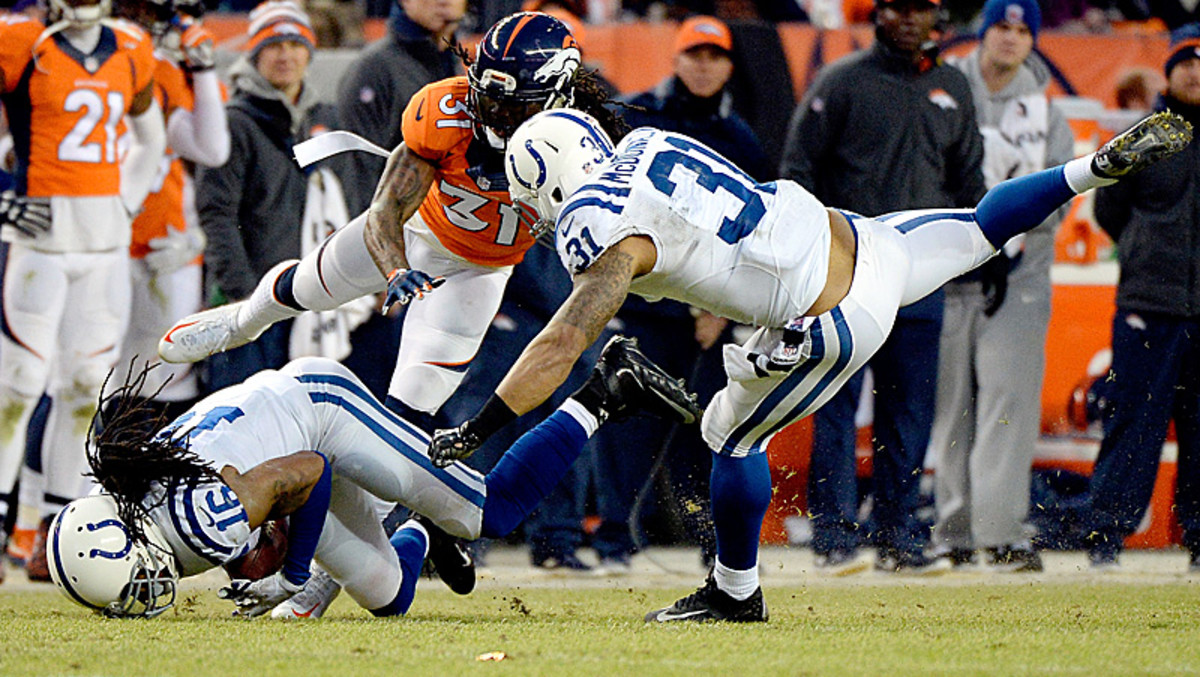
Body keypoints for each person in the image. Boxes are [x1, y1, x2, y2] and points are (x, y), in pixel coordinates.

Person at [426, 106, 1190, 622]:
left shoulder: (593, 219)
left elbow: (560, 342)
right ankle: (1094, 166)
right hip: (860, 238)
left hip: (828, 313)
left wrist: (481, 423)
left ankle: (736, 592)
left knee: (729, 434)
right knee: (979, 227)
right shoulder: (643, 143)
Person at [159, 11, 626, 432]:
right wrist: (396, 269)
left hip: (478, 273)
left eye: (514, 103)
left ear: (556, 94)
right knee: (304, 286)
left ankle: (383, 522)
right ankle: (239, 322)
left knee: (408, 413)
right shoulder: (446, 109)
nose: (495, 113)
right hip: (416, 231)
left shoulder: (583, 150)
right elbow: (385, 209)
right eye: (487, 95)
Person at [45, 337, 701, 618]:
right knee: (388, 596)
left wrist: (294, 575)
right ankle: (422, 525)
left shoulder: (196, 519)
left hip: (324, 411)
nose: (140, 592)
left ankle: (606, 389)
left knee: (485, 513)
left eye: (131, 577)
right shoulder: (128, 496)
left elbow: (310, 472)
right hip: (288, 429)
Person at [779, 0, 987, 575]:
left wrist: (986, 251)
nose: (908, 19)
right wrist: (814, 257)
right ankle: (834, 539)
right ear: (878, 14)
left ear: (937, 18)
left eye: (920, 8)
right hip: (845, 278)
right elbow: (797, 171)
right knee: (835, 407)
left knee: (910, 412)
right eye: (896, 6)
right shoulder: (841, 81)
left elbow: (970, 177)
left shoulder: (952, 87)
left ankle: (900, 538)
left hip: (919, 276)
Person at [589, 14, 771, 571]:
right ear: (676, 58)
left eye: (714, 56)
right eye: (694, 54)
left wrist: (718, 306)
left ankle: (714, 545)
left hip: (711, 309)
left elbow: (752, 225)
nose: (703, 65)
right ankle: (613, 538)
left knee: (711, 427)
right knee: (627, 422)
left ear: (729, 67)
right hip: (646, 298)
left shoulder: (740, 135)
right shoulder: (640, 115)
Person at [0, 0, 166, 582]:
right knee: (16, 387)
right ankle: (3, 525)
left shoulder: (129, 48)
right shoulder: (22, 41)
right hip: (40, 244)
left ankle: (52, 532)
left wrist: (128, 200)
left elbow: (152, 134)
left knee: (82, 390)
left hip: (103, 247)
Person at [926, 0, 1074, 573]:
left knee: (1008, 404)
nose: (1011, 39)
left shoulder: (1046, 112)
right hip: (951, 265)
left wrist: (1011, 240)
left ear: (1032, 40)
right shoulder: (947, 89)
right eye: (1001, 28)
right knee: (952, 406)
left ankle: (1002, 530)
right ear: (982, 33)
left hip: (1022, 271)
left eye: (1022, 30)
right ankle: (955, 530)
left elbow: (1062, 192)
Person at [1084, 23, 1200, 571]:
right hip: (1148, 303)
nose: (1196, 71)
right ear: (1170, 70)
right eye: (1187, 61)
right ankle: (1105, 534)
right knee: (1132, 421)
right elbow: (1109, 210)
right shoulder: (1141, 135)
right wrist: (1144, 251)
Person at [193, 0, 341, 392]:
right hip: (250, 302)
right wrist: (245, 297)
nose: (286, 55)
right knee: (237, 417)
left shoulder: (322, 117)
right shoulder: (234, 122)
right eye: (274, 44)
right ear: (255, 52)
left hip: (308, 299)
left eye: (295, 44)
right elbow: (216, 214)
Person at [114, 0, 230, 423]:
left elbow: (212, 149)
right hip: (95, 243)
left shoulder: (159, 71)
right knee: (84, 375)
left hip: (161, 244)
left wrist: (201, 68)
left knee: (165, 374)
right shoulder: (59, 59)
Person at [335, 0, 466, 217]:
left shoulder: (464, 66)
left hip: (451, 231)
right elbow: (359, 177)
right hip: (398, 232)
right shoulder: (373, 69)